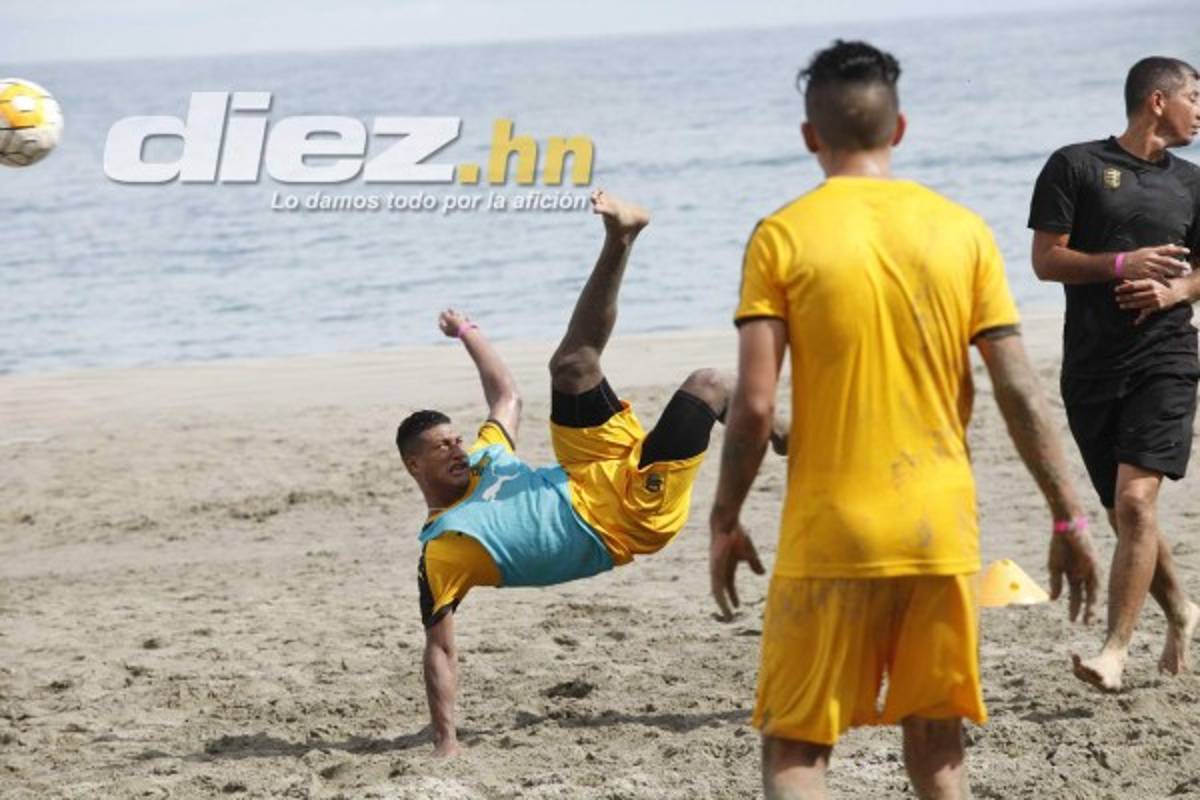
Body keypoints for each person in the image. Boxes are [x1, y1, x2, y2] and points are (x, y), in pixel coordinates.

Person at [708, 40, 1103, 800]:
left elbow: (754, 406)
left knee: (797, 746)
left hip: (830, 533)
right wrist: (1068, 518)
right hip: (936, 530)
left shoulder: (782, 235)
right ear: (900, 128)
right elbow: (1018, 389)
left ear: (809, 136)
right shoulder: (962, 231)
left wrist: (725, 519)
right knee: (937, 747)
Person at [398, 190, 783, 757]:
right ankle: (789, 434)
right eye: (442, 448)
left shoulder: (484, 455)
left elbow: (505, 394)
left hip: (590, 465)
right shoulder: (444, 550)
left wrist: (467, 330)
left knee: (571, 365)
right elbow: (439, 649)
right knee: (710, 384)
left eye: (457, 439)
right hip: (624, 516)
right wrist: (446, 742)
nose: (458, 449)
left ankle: (621, 235)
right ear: (415, 465)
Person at [1028, 56, 1200, 693]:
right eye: (1194, 97)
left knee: (1134, 503)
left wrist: (1176, 292)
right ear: (1157, 100)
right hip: (1090, 367)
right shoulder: (1074, 165)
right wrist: (1123, 264)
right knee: (1124, 513)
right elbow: (1046, 261)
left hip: (1167, 358)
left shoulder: (1194, 183)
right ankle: (1182, 608)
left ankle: (1114, 652)